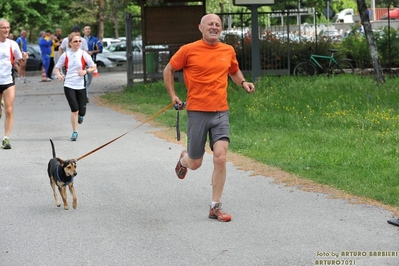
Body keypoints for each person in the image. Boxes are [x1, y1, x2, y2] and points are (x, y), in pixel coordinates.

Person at [163, 14, 255, 222]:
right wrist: (173, 96)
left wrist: (243, 83)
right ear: (201, 28)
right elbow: (169, 69)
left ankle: (215, 207)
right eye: (210, 24)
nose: (214, 27)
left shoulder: (227, 50)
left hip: (221, 112)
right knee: (195, 163)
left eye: (217, 25)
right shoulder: (188, 50)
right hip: (197, 112)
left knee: (220, 157)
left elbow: (234, 71)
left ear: (221, 29)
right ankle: (183, 160)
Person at [54, 32, 97, 141]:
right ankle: (75, 132)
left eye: (79, 41)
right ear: (70, 43)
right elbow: (57, 67)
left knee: (81, 112)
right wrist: (59, 75)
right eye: (75, 41)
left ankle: (81, 115)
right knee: (74, 109)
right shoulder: (66, 55)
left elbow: (93, 67)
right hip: (69, 84)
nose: (78, 43)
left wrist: (85, 71)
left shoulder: (83, 54)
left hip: (81, 85)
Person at [0, 19, 29, 149]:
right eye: (3, 28)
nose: (6, 30)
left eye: (8, 27)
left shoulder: (12, 44)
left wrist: (24, 58)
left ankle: (6, 138)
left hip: (8, 81)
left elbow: (20, 63)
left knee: (9, 109)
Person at [83, 25, 103, 103]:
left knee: (89, 81)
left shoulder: (94, 39)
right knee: (85, 80)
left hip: (91, 62)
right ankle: (85, 97)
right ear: (83, 31)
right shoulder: (80, 40)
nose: (87, 30)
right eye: (86, 29)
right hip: (83, 63)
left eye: (89, 29)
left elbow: (100, 49)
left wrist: (93, 52)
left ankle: (85, 94)